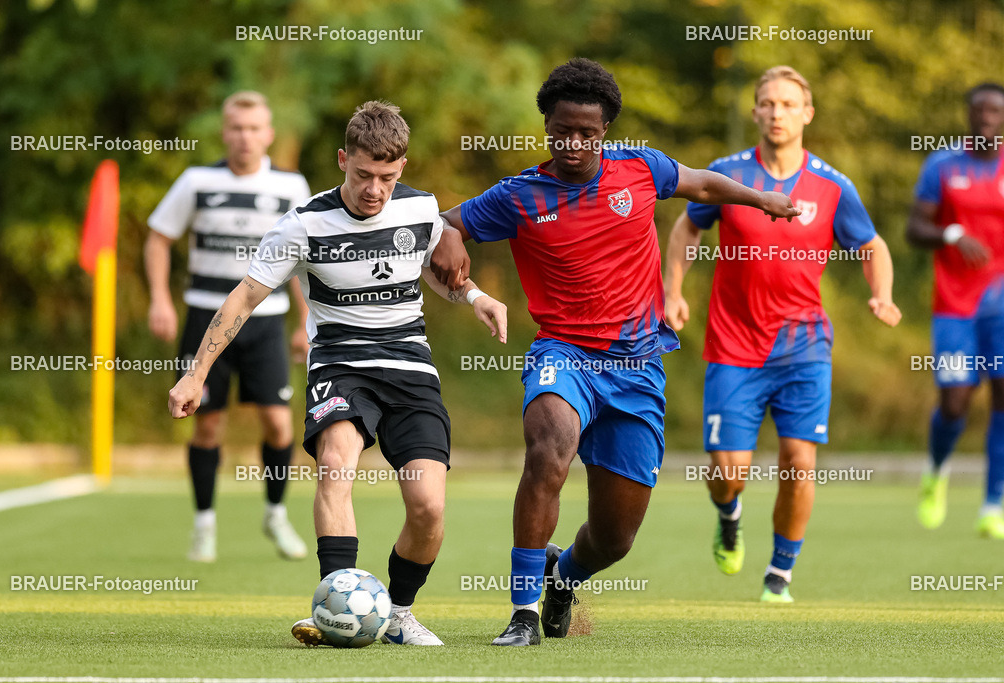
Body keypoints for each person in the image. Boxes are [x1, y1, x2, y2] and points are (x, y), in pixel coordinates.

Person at [430, 58, 800, 646]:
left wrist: (761, 199)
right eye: (561, 131)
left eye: (587, 132)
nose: (573, 143)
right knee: (547, 451)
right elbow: (446, 221)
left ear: (606, 131)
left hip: (636, 366)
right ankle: (522, 613)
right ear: (547, 127)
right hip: (563, 353)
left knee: (613, 539)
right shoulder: (519, 195)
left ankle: (563, 577)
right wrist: (450, 237)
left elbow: (702, 183)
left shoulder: (641, 169)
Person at [169, 101, 508, 646]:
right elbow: (243, 300)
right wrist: (195, 373)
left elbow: (437, 275)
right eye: (363, 175)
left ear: (402, 169)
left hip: (409, 367)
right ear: (342, 160)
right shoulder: (303, 224)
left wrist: (476, 297)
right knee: (335, 465)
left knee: (428, 507)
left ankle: (398, 613)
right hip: (340, 364)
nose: (375, 189)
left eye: (388, 177)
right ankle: (336, 606)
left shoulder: (421, 210)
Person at [664, 65, 901, 602]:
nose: (777, 113)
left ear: (807, 114)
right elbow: (687, 227)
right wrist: (672, 291)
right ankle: (729, 516)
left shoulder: (833, 185)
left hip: (804, 347)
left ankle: (780, 574)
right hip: (733, 346)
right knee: (728, 473)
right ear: (755, 112)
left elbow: (872, 246)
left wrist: (882, 293)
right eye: (768, 103)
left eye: (788, 104)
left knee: (799, 459)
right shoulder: (728, 173)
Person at [146, 91, 312, 563]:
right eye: (237, 128)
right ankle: (204, 525)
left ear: (269, 134)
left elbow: (301, 260)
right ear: (225, 132)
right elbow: (158, 238)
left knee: (280, 424)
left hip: (265, 322)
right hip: (204, 316)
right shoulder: (197, 181)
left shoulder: (291, 186)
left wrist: (305, 322)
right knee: (207, 424)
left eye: (255, 128)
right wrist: (161, 298)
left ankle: (276, 514)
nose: (245, 137)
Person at [907, 82, 1004, 540]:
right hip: (954, 305)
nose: (986, 117)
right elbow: (914, 227)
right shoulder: (943, 163)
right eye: (979, 109)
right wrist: (950, 234)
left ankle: (993, 503)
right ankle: (936, 469)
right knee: (956, 398)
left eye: (995, 111)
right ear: (969, 115)